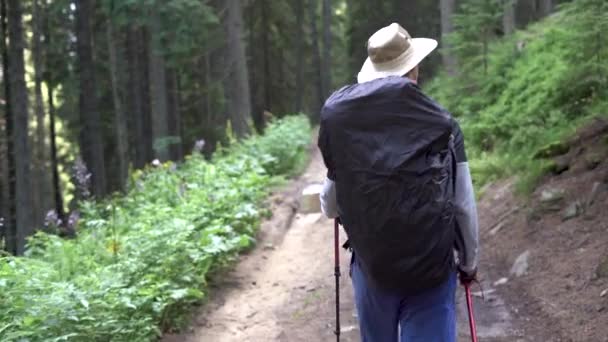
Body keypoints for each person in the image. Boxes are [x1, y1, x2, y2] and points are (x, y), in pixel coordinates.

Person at [318, 23, 479, 342]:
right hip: (432, 268)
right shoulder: (441, 124)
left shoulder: (349, 128)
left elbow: (330, 204)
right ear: (412, 71)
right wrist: (469, 262)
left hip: (373, 270)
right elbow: (463, 203)